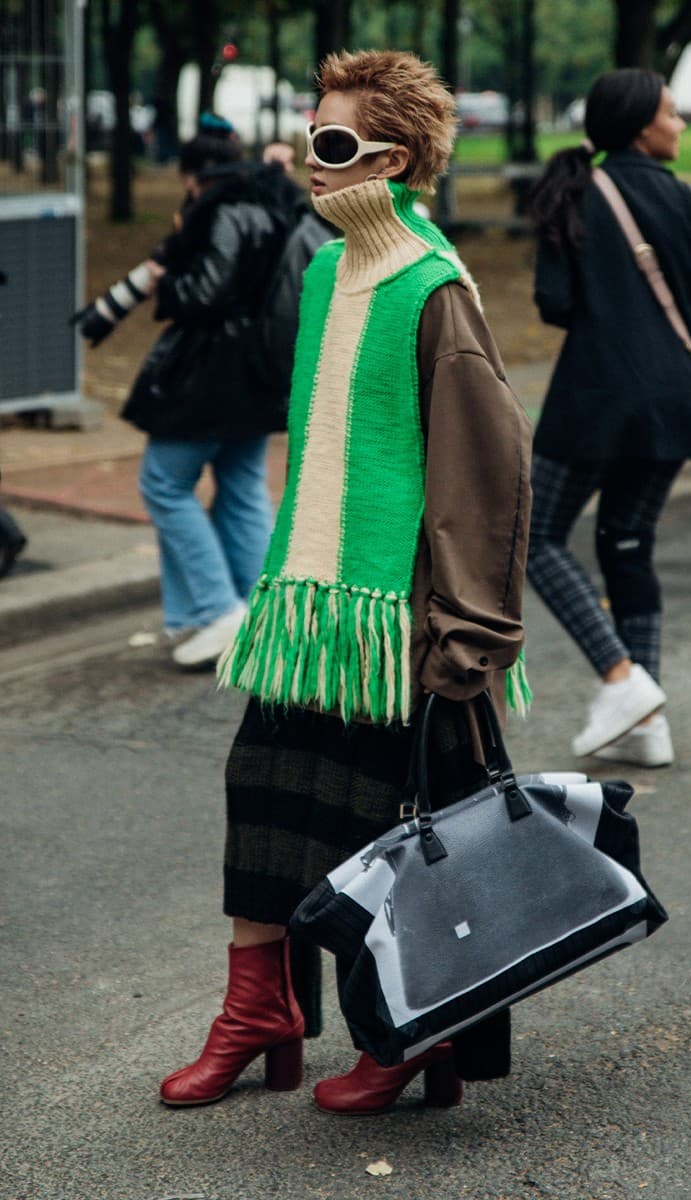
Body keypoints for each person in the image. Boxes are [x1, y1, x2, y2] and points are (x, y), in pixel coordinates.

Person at [158, 49, 533, 1116]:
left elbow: (489, 471)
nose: (308, 163)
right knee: (264, 799)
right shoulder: (327, 271)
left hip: (394, 618)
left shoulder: (431, 287)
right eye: (309, 137)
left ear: (393, 159)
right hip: (308, 609)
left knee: (386, 835)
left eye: (330, 145)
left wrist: (465, 633)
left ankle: (406, 1032)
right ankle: (261, 1014)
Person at [526, 68, 691, 768]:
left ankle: (621, 679)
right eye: (675, 114)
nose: (683, 125)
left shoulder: (571, 193)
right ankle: (647, 724)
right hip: (674, 404)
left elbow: (554, 304)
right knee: (629, 543)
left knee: (535, 538)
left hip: (591, 401)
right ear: (643, 124)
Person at [92, 117, 312, 666]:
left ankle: (219, 612)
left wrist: (168, 286)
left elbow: (209, 291)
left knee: (164, 482)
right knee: (241, 486)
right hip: (261, 371)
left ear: (194, 176)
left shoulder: (220, 210)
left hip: (210, 373)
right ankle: (271, 616)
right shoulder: (273, 202)